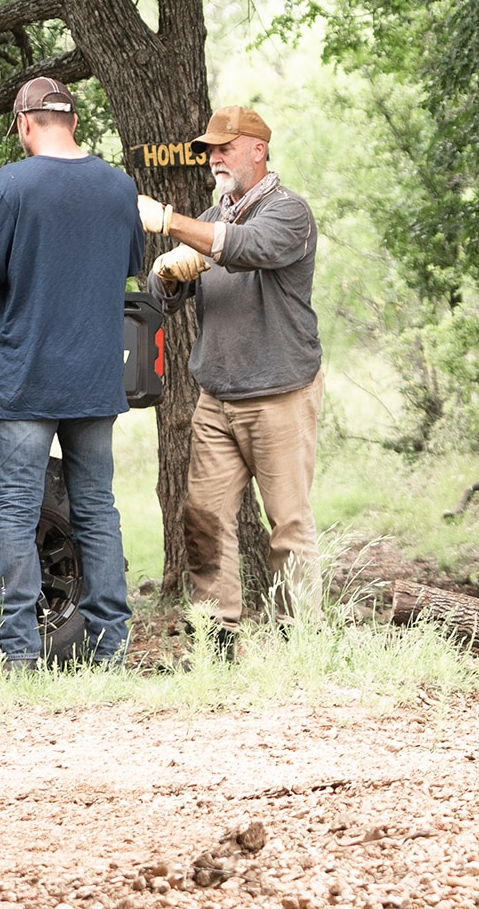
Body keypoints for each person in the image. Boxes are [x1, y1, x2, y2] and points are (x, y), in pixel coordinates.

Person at [0, 76, 143, 670]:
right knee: (96, 508)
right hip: (94, 378)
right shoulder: (119, 187)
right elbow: (134, 262)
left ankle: (20, 654)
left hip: (29, 376)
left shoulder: (13, 184)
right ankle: (112, 648)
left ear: (24, 123)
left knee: (14, 508)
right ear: (74, 122)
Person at [138, 105, 321, 651]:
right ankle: (219, 643)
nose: (214, 157)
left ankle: (301, 646)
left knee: (287, 525)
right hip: (215, 398)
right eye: (210, 150)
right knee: (203, 520)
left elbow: (245, 248)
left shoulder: (289, 213)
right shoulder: (210, 217)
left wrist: (172, 223)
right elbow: (160, 301)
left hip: (280, 395)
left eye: (224, 147)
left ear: (258, 150)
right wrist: (167, 276)